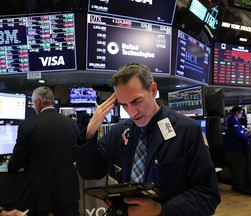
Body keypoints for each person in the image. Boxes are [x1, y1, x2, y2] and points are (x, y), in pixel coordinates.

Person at [76, 63, 221, 216]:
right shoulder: (119, 131)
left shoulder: (187, 130)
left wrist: (161, 209)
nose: (132, 112)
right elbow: (90, 172)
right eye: (124, 105)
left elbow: (207, 195)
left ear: (152, 90)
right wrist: (90, 132)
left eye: (136, 101)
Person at [8, 86, 80, 216]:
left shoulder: (27, 125)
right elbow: (75, 155)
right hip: (68, 193)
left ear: (38, 102)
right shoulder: (72, 124)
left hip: (38, 195)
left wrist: (11, 164)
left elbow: (17, 160)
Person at [224, 106, 251, 194]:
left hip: (232, 149)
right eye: (241, 113)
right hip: (236, 149)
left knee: (235, 168)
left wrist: (244, 132)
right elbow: (238, 135)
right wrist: (248, 135)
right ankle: (241, 187)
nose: (241, 115)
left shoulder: (232, 119)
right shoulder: (233, 120)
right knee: (241, 168)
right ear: (237, 112)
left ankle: (236, 185)